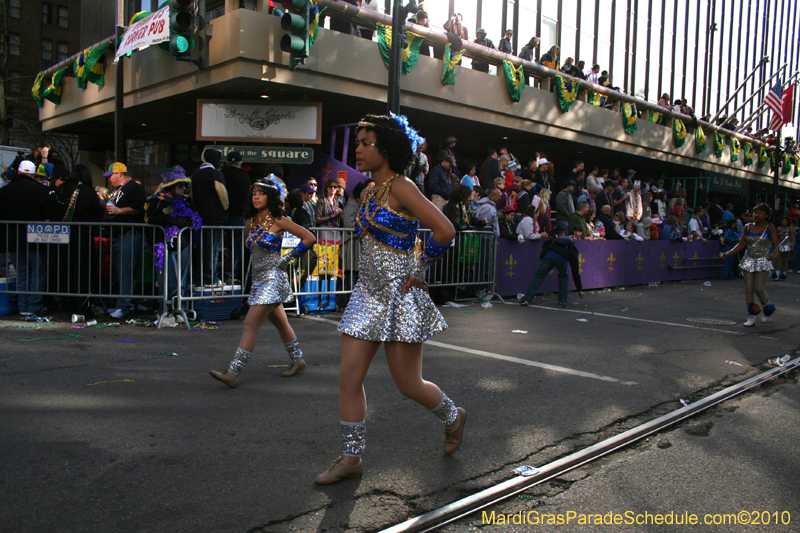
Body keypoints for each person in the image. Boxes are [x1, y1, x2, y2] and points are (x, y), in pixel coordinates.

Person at [315, 114, 464, 485]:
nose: (358, 149)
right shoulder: (367, 191)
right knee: (348, 378)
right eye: (358, 142)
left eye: (366, 143)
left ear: (388, 148)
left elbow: (445, 230)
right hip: (366, 295)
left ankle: (453, 415)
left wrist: (420, 269)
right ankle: (352, 458)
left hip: (400, 297)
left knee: (408, 385)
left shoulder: (404, 188)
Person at [210, 178, 316, 387]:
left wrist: (286, 260)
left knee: (250, 324)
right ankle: (298, 360)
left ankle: (233, 372)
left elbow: (309, 237)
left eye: (261, 193)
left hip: (273, 278)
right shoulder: (250, 222)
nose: (256, 197)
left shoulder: (279, 220)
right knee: (281, 323)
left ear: (271, 197)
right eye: (254, 193)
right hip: (258, 280)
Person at [145, 167, 202, 316]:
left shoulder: (187, 201)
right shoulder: (158, 200)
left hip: (183, 243)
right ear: (171, 186)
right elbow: (149, 218)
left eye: (184, 185)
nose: (184, 188)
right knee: (167, 281)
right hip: (164, 245)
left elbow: (194, 219)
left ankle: (179, 310)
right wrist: (166, 219)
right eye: (180, 185)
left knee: (181, 280)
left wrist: (180, 221)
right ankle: (164, 310)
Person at [0, 160, 55, 316]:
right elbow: (49, 213)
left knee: (22, 273)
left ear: (18, 172)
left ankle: (23, 306)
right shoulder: (40, 190)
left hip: (13, 239)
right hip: (36, 237)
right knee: (37, 273)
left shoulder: (5, 191)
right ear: (32, 174)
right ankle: (34, 307)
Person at [719, 204, 780, 327]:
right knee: (748, 289)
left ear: (766, 215)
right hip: (748, 260)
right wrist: (728, 253)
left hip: (763, 260)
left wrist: (774, 255)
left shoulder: (770, 227)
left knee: (758, 288)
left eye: (760, 213)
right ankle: (751, 316)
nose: (756, 215)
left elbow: (776, 244)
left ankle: (766, 307)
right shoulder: (747, 227)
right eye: (755, 212)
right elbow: (741, 244)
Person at [104, 162, 147, 319]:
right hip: (120, 236)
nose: (109, 179)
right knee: (120, 272)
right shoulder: (119, 190)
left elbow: (141, 206)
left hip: (128, 236)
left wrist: (119, 210)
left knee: (125, 272)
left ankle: (125, 306)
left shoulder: (134, 188)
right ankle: (122, 304)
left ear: (119, 174)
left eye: (111, 175)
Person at [517, 227, 585, 307]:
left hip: (549, 255)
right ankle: (563, 300)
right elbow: (575, 270)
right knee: (563, 277)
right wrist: (579, 289)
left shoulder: (554, 241)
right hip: (561, 259)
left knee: (538, 276)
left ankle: (527, 299)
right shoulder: (572, 248)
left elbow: (546, 245)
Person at [191, 149, 229, 287]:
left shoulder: (195, 175)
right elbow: (223, 195)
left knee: (202, 249)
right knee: (213, 248)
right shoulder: (215, 174)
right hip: (215, 218)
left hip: (200, 219)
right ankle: (210, 277)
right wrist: (225, 211)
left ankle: (200, 277)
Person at [221, 151, 252, 284]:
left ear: (227, 162)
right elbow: (248, 197)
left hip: (220, 216)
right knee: (238, 247)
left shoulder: (220, 175)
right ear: (241, 163)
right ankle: (230, 274)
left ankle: (214, 274)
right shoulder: (243, 177)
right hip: (239, 216)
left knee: (216, 246)